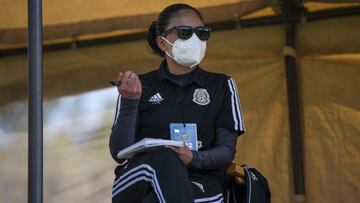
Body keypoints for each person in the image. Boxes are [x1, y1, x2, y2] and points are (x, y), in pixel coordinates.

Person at [109, 3, 245, 203]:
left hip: (199, 178)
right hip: (139, 178)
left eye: (202, 33)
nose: (195, 39)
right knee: (165, 158)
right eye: (184, 32)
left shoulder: (221, 85)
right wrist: (130, 102)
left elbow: (226, 150)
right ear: (162, 42)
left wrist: (194, 158)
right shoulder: (139, 86)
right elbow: (120, 153)